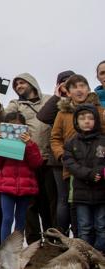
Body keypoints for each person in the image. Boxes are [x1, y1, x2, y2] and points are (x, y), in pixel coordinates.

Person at [0, 73, 55, 243]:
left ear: (32, 83)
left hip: (46, 157)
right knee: (26, 212)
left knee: (48, 204)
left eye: (22, 82)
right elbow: (5, 119)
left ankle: (50, 242)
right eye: (16, 84)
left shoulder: (49, 99)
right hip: (19, 159)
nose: (18, 85)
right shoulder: (15, 104)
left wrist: (59, 95)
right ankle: (29, 243)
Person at [51, 74, 105, 235]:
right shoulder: (62, 113)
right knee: (72, 206)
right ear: (68, 91)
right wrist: (63, 156)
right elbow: (55, 138)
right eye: (74, 87)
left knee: (100, 209)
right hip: (72, 167)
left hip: (97, 167)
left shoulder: (99, 110)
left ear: (88, 89)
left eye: (82, 86)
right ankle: (74, 242)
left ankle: (98, 247)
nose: (79, 90)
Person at [0, 112, 43, 243]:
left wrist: (29, 144)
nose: (15, 129)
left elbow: (37, 163)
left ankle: (16, 250)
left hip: (25, 187)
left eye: (19, 126)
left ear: (25, 128)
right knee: (7, 218)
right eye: (11, 126)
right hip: (6, 187)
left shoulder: (31, 144)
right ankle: (4, 250)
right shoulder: (1, 142)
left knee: (21, 218)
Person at [62, 104, 105, 251]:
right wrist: (89, 174)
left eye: (90, 118)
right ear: (76, 121)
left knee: (102, 226)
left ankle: (100, 257)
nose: (86, 121)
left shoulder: (103, 141)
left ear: (96, 121)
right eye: (82, 118)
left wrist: (100, 172)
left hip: (102, 193)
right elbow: (70, 164)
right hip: (81, 194)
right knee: (84, 228)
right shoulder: (71, 143)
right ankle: (85, 257)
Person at [37, 70, 74, 234]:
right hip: (58, 160)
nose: (67, 85)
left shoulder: (83, 100)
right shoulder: (58, 104)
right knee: (62, 199)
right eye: (63, 82)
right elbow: (43, 116)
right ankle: (61, 236)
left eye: (70, 82)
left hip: (82, 158)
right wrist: (57, 96)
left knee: (79, 200)